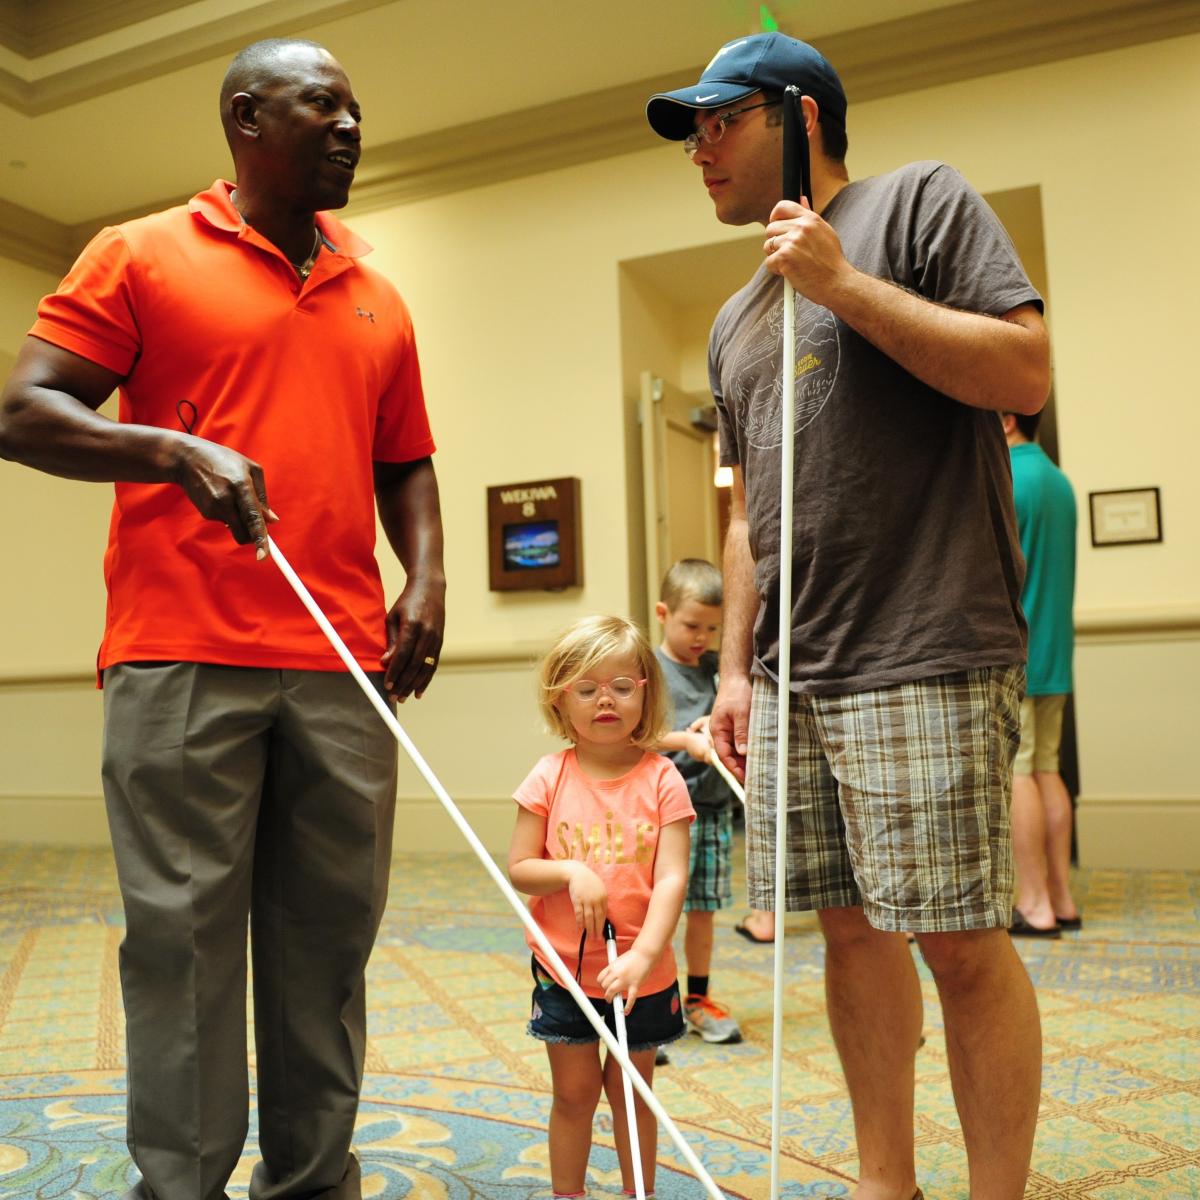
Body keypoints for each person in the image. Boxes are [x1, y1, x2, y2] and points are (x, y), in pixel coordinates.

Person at [0, 38, 445, 1200]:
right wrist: (170, 448)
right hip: (181, 653)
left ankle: (311, 1181)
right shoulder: (139, 253)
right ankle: (181, 1186)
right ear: (248, 118)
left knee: (325, 948)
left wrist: (429, 577)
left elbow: (407, 461)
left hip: (345, 663)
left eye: (358, 109)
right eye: (323, 107)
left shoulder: (377, 294)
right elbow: (26, 411)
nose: (351, 127)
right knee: (185, 946)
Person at [646, 31, 1051, 1200]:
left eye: (721, 122)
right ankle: (889, 1184)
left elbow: (1024, 372)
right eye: (691, 133)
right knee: (846, 932)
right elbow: (747, 519)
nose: (700, 151)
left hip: (923, 645)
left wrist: (841, 285)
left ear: (801, 115)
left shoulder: (920, 204)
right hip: (789, 676)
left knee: (960, 940)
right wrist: (732, 671)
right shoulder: (732, 320)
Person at [508, 615, 693, 1199]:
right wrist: (570, 870)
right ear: (562, 703)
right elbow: (520, 869)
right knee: (574, 1095)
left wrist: (642, 956)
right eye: (586, 689)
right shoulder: (547, 776)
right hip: (563, 971)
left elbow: (671, 878)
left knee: (633, 1095)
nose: (604, 700)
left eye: (621, 685)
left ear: (646, 692)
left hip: (642, 974)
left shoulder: (663, 778)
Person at [653, 558, 743, 1044]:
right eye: (691, 625)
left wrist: (712, 726)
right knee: (654, 910)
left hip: (709, 810)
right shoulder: (648, 670)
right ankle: (652, 1002)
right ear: (663, 613)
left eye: (712, 628)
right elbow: (635, 737)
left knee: (704, 910)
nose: (701, 637)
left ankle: (696, 998)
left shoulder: (716, 672)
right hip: (661, 817)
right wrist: (683, 742)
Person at [1003, 410, 1080, 937]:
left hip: (1018, 653)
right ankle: (1061, 896)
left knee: (1018, 771)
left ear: (1006, 419)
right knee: (1046, 767)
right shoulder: (1059, 481)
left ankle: (1032, 904)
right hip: (1056, 652)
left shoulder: (1005, 475)